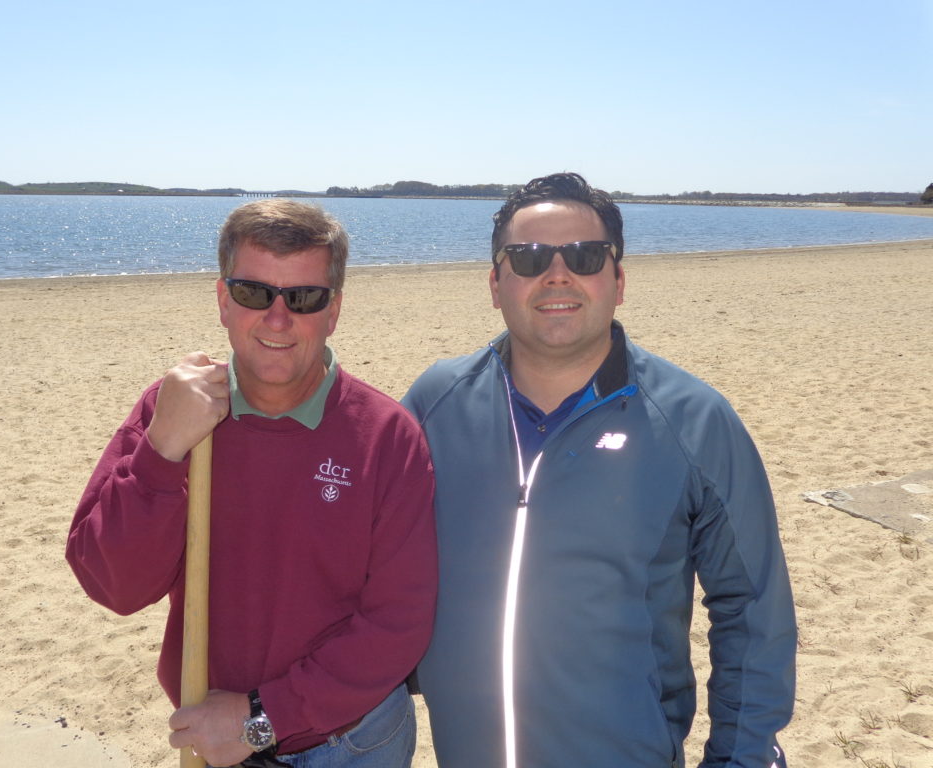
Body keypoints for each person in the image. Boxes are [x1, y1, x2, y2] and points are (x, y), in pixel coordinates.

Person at [402, 172, 796, 768]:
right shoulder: (436, 402)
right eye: (529, 257)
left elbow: (753, 610)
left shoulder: (693, 421)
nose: (557, 275)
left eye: (585, 256)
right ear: (494, 282)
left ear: (618, 280)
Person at [67, 199, 437, 768]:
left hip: (353, 742)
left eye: (305, 297)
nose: (278, 318)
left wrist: (261, 718)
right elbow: (113, 586)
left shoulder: (386, 435)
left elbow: (398, 622)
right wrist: (162, 450)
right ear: (222, 299)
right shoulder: (173, 414)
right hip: (215, 741)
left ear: (333, 311)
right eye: (254, 293)